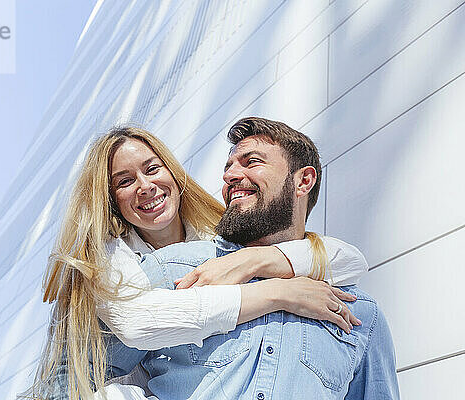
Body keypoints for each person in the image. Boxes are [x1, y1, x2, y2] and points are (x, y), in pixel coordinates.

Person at [22, 125, 369, 400]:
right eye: (125, 181)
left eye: (152, 169)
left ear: (173, 173)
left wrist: (257, 259)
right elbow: (141, 324)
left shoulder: (217, 240)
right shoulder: (107, 259)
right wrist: (279, 291)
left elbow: (351, 261)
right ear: (111, 201)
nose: (145, 186)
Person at [103, 117, 400, 399]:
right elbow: (81, 374)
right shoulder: (175, 270)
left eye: (251, 162)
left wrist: (257, 261)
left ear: (303, 180)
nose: (230, 175)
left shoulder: (362, 314)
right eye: (229, 167)